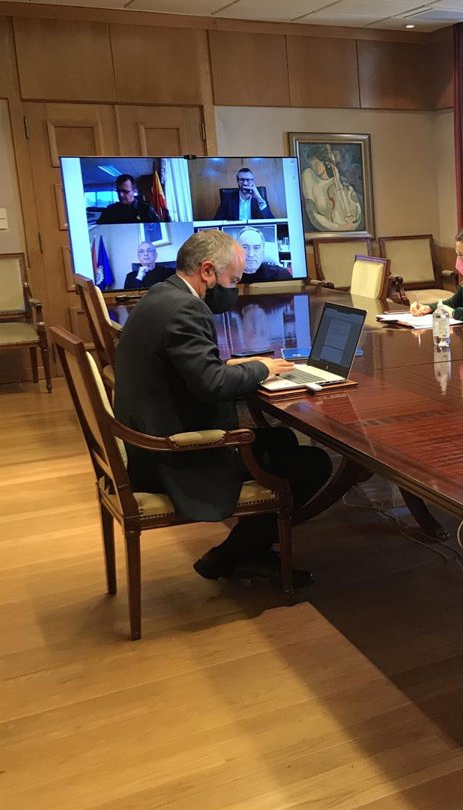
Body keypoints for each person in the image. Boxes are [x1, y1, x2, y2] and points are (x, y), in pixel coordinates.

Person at [113, 229, 332, 587]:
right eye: (233, 280)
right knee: (314, 463)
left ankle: (250, 549)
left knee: (282, 441)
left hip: (147, 434)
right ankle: (230, 556)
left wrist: (233, 366)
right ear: (207, 271)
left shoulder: (161, 295)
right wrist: (259, 369)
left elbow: (191, 370)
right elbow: (212, 386)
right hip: (171, 454)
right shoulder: (187, 309)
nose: (235, 289)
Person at [300, 151, 362, 231]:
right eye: (312, 165)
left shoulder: (340, 181)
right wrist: (341, 228)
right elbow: (314, 215)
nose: (314, 167)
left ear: (326, 163)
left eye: (317, 163)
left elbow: (355, 207)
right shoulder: (309, 179)